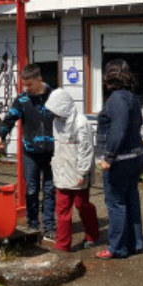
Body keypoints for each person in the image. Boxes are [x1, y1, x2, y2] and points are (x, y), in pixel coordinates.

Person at [0, 64, 56, 239]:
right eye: (24, 85)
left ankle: (50, 226)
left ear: (39, 79)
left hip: (53, 152)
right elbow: (9, 119)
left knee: (50, 189)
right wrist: (0, 136)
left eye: (30, 85)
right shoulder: (22, 99)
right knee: (31, 189)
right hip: (30, 151)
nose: (27, 88)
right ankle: (33, 225)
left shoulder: (55, 96)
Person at [95, 59, 143, 259]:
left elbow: (119, 129)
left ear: (109, 77)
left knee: (116, 202)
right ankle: (134, 242)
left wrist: (108, 156)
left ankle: (117, 247)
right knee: (131, 198)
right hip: (135, 156)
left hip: (120, 159)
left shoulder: (116, 99)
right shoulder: (132, 97)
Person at [45, 88, 101, 252]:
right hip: (62, 170)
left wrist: (82, 172)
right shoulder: (57, 122)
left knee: (81, 205)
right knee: (62, 209)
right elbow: (58, 146)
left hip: (78, 172)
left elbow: (86, 149)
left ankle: (92, 234)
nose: (55, 114)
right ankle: (62, 245)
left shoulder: (81, 123)